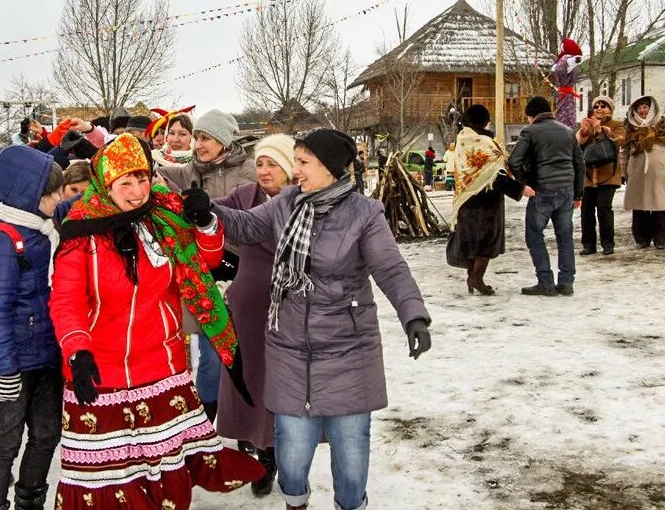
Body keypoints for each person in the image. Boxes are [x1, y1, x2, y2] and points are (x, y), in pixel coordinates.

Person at [203, 128, 432, 510]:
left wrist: (414, 316)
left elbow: (391, 269)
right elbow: (245, 225)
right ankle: (296, 504)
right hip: (289, 349)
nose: (296, 171)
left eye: (304, 163)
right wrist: (207, 211)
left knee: (351, 460)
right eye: (296, 162)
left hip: (348, 350)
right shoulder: (287, 203)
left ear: (330, 168)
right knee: (291, 461)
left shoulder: (365, 214)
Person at [49, 133, 263, 509]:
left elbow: (207, 264)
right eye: (125, 183)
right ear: (105, 184)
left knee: (166, 472)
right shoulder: (81, 232)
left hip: (163, 368)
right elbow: (66, 301)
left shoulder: (161, 219)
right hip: (103, 372)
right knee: (112, 480)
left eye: (142, 179)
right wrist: (77, 352)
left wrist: (205, 222)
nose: (136, 191)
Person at [0, 146, 66, 510]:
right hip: (12, 363)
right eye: (51, 192)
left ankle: (30, 502)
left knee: (46, 435)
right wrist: (5, 370)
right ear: (30, 193)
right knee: (4, 442)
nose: (58, 198)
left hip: (47, 356)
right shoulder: (5, 239)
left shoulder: (45, 228)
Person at [157, 110, 257, 420]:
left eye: (205, 138)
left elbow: (252, 223)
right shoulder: (191, 171)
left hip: (240, 269)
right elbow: (160, 173)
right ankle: (205, 423)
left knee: (242, 350)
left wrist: (210, 214)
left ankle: (246, 420)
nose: (198, 144)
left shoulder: (248, 173)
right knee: (212, 354)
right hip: (204, 273)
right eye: (197, 137)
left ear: (223, 141)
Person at [212, 133, 295, 497]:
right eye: (259, 162)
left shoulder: (303, 203)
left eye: (272, 163)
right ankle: (247, 442)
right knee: (244, 373)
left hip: (288, 303)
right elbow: (213, 210)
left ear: (290, 167)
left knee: (277, 380)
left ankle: (272, 451)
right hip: (247, 301)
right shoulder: (245, 196)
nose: (263, 170)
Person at [509, 97, 585, 297]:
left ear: (531, 115)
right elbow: (579, 164)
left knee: (534, 235)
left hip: (543, 190)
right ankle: (567, 282)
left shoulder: (530, 131)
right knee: (565, 237)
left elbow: (514, 160)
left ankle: (545, 281)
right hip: (566, 190)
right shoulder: (568, 131)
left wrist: (524, 183)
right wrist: (578, 193)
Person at [446, 105, 522, 295]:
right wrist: (519, 189)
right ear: (484, 121)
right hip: (486, 201)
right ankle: (476, 278)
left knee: (472, 242)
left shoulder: (462, 140)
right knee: (485, 243)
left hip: (465, 199)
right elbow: (495, 175)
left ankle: (471, 278)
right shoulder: (484, 142)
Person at [621, 96, 665, 250]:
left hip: (659, 171)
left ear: (651, 108)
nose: (642, 110)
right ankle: (642, 238)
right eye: (639, 108)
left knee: (660, 206)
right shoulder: (630, 128)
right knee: (639, 206)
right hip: (637, 171)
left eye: (645, 107)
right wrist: (623, 172)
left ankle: (661, 239)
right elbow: (624, 152)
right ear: (634, 111)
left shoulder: (662, 126)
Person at [576, 96, 626, 256]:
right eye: (596, 106)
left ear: (610, 109)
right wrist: (583, 132)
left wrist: (601, 130)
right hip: (589, 176)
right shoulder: (586, 124)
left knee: (604, 207)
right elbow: (578, 147)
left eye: (603, 106)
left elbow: (619, 142)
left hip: (609, 174)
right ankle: (588, 245)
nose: (599, 108)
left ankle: (607, 244)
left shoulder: (616, 125)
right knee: (587, 210)